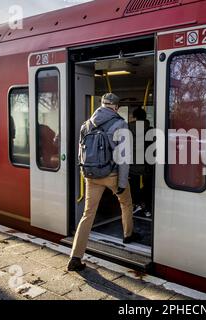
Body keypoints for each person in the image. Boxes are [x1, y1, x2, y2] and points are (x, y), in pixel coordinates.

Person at [68, 93, 141, 272]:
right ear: (116, 107)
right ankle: (128, 234)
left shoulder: (86, 125)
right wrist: (122, 182)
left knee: (88, 214)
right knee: (126, 203)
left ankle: (75, 257)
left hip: (91, 176)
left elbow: (80, 154)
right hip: (113, 175)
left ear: (101, 105)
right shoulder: (120, 124)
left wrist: (86, 174)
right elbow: (124, 158)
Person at [129, 108, 152, 217]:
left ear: (134, 117)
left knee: (134, 186)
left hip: (132, 165)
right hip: (148, 165)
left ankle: (137, 204)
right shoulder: (151, 129)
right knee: (148, 186)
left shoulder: (127, 129)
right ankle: (147, 208)